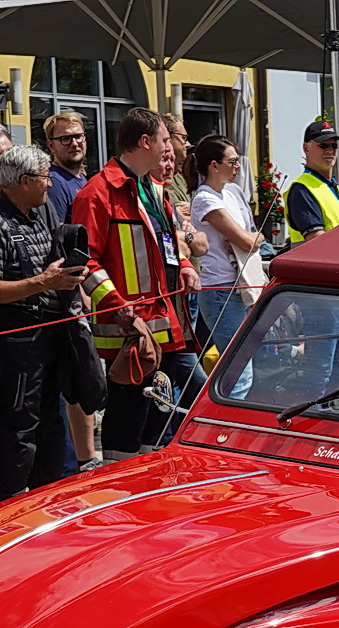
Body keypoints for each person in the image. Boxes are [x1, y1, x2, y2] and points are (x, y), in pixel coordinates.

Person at [72, 108, 202, 462]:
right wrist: (115, 302)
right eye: (164, 141)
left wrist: (186, 265)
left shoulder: (153, 188)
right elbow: (85, 259)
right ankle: (120, 493)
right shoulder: (97, 193)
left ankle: (151, 487)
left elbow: (169, 241)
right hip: (130, 331)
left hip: (165, 326)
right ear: (145, 142)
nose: (169, 148)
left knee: (158, 417)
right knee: (128, 421)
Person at [0, 145, 83, 499]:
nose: (50, 185)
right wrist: (41, 283)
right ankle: (6, 504)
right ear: (24, 181)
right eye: (45, 178)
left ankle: (46, 500)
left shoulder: (43, 212)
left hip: (50, 335)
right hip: (16, 345)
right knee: (19, 429)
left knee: (51, 427)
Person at [281, 120, 339, 389]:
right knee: (321, 372)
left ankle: (334, 424)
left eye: (334, 145)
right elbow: (316, 241)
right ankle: (311, 426)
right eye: (323, 145)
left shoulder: (333, 188)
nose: (330, 150)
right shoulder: (302, 189)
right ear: (306, 148)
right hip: (322, 294)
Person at [188, 135, 261, 397]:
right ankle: (226, 427)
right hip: (219, 290)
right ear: (213, 165)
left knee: (245, 365)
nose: (238, 166)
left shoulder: (233, 193)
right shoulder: (206, 199)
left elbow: (254, 235)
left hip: (239, 287)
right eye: (232, 161)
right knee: (238, 371)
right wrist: (247, 240)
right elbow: (245, 239)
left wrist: (249, 240)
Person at [44, 110, 89, 224]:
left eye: (78, 136)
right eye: (65, 139)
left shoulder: (81, 178)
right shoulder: (54, 183)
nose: (74, 143)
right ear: (51, 145)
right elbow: (59, 235)